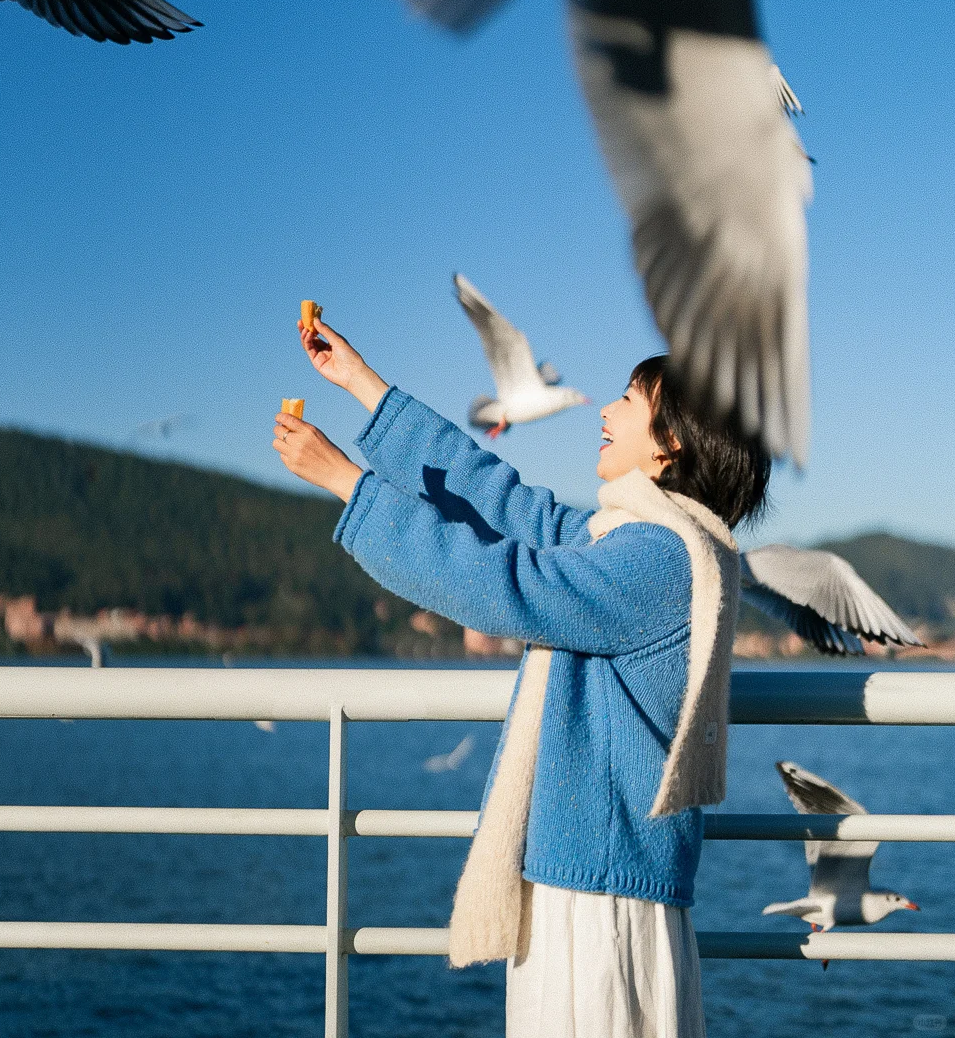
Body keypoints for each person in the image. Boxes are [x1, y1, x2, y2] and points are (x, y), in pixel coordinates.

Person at [273, 316, 769, 1038]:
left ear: (671, 443)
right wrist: (362, 386)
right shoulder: (648, 543)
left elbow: (506, 584)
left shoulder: (658, 560)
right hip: (598, 887)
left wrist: (348, 484)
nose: (604, 409)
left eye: (629, 400)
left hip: (601, 907)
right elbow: (504, 504)